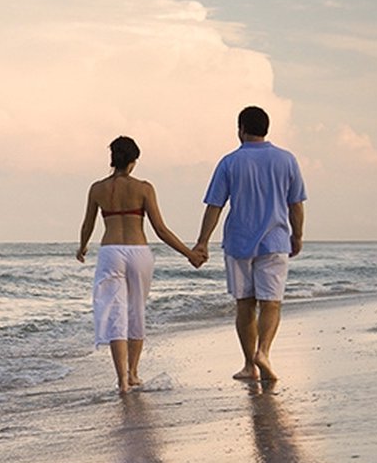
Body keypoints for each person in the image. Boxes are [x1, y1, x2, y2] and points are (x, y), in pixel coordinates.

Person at [78, 136, 203, 393]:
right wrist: (188, 253)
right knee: (136, 311)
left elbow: (88, 224)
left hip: (110, 251)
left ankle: (122, 380)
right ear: (134, 162)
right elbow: (160, 229)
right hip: (138, 252)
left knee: (116, 314)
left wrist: (82, 247)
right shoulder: (144, 188)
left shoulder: (97, 188)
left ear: (112, 159)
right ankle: (133, 372)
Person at [193, 106, 307, 384]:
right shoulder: (286, 160)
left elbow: (215, 206)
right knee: (271, 304)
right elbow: (296, 205)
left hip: (238, 242)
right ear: (266, 129)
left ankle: (249, 365)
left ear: (241, 129)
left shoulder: (230, 162)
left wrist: (202, 242)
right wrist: (297, 235)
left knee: (245, 304)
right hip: (276, 240)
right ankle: (264, 352)